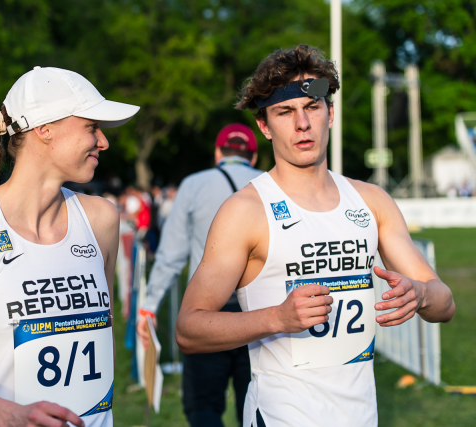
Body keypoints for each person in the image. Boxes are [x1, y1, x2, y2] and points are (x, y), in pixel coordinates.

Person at [175, 45, 456, 427]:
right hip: (280, 417)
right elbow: (189, 329)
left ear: (330, 113)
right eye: (284, 112)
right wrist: (276, 318)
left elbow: (444, 304)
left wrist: (420, 294)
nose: (302, 123)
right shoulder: (245, 211)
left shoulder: (372, 200)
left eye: (312, 106)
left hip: (361, 417)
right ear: (264, 126)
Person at [0, 66, 139, 427]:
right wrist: (15, 416)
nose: (103, 141)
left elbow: (102, 337)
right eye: (91, 127)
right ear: (45, 128)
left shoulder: (101, 218)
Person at [137, 123, 262, 427]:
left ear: (218, 153)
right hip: (260, 314)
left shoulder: (194, 184)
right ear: (254, 156)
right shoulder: (270, 184)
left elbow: (171, 254)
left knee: (203, 407)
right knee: (259, 408)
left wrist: (149, 307)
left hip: (207, 313)